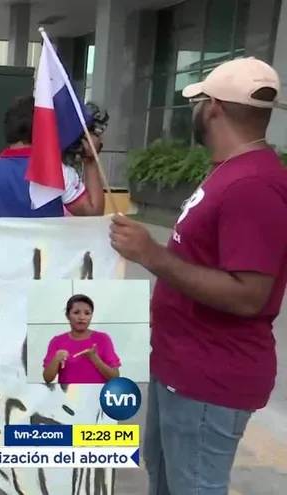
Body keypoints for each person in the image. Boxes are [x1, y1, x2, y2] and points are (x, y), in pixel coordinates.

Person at [109, 57, 287, 495]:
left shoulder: (253, 185)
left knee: (194, 487)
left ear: (213, 108)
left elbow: (250, 294)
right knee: (168, 479)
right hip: (185, 367)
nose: (194, 109)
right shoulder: (231, 171)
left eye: (199, 100)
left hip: (212, 376)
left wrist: (153, 255)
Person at [0, 96, 107, 217]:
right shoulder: (59, 172)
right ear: (45, 129)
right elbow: (94, 213)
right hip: (47, 249)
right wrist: (90, 159)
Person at [42, 294, 121, 385]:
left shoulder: (103, 339)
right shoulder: (57, 341)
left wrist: (95, 358)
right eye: (76, 312)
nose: (82, 317)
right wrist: (56, 359)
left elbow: (115, 377)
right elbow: (47, 379)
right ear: (67, 315)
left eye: (87, 313)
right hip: (67, 396)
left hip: (98, 395)